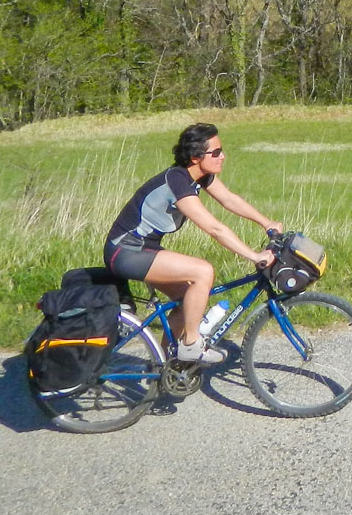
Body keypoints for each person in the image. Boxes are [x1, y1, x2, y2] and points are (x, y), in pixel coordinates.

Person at [104, 123, 279, 365]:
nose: (223, 156)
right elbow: (214, 229)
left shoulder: (198, 176)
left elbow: (229, 199)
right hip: (126, 251)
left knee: (188, 299)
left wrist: (266, 222)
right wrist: (253, 256)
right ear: (196, 157)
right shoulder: (177, 182)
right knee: (202, 271)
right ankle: (191, 344)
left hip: (144, 247)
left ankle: (163, 365)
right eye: (216, 152)